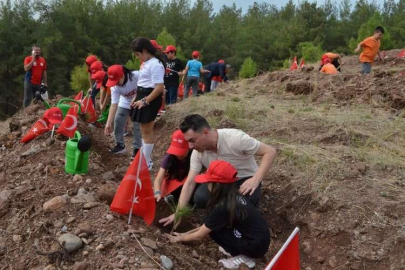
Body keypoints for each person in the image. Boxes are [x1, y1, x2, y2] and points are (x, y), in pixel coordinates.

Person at [159, 114, 277, 228]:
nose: (190, 146)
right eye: (188, 142)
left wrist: (255, 179)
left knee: (242, 206)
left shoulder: (235, 138)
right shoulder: (197, 153)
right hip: (220, 181)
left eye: (192, 140)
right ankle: (219, 215)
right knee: (200, 197)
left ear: (205, 132)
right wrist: (179, 213)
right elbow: (190, 183)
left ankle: (242, 217)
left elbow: (270, 151)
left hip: (243, 180)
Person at [165, 160, 270, 269]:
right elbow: (207, 224)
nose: (206, 184)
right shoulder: (233, 195)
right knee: (212, 225)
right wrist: (184, 234)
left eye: (208, 181)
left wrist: (179, 239)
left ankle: (245, 258)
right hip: (258, 239)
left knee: (214, 231)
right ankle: (240, 246)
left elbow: (200, 235)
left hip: (255, 246)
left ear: (217, 185)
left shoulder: (223, 207)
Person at [130, 37, 166, 169]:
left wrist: (145, 101)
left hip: (149, 98)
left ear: (145, 50)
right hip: (142, 95)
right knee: (143, 130)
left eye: (138, 54)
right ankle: (145, 158)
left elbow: (159, 87)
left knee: (147, 131)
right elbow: (143, 82)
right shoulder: (147, 63)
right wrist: (136, 97)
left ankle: (146, 162)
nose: (138, 57)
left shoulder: (155, 64)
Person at [104, 65, 142, 159]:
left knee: (136, 124)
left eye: (117, 81)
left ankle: (137, 149)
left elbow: (147, 85)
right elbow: (114, 105)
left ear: (123, 76)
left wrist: (136, 96)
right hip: (125, 102)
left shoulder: (136, 75)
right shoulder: (114, 87)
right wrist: (108, 123)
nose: (115, 84)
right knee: (118, 120)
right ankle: (120, 145)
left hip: (139, 101)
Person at [154, 130, 191, 202]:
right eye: (176, 151)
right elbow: (159, 178)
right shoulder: (169, 157)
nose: (178, 155)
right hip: (177, 182)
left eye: (181, 151)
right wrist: (157, 192)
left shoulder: (195, 156)